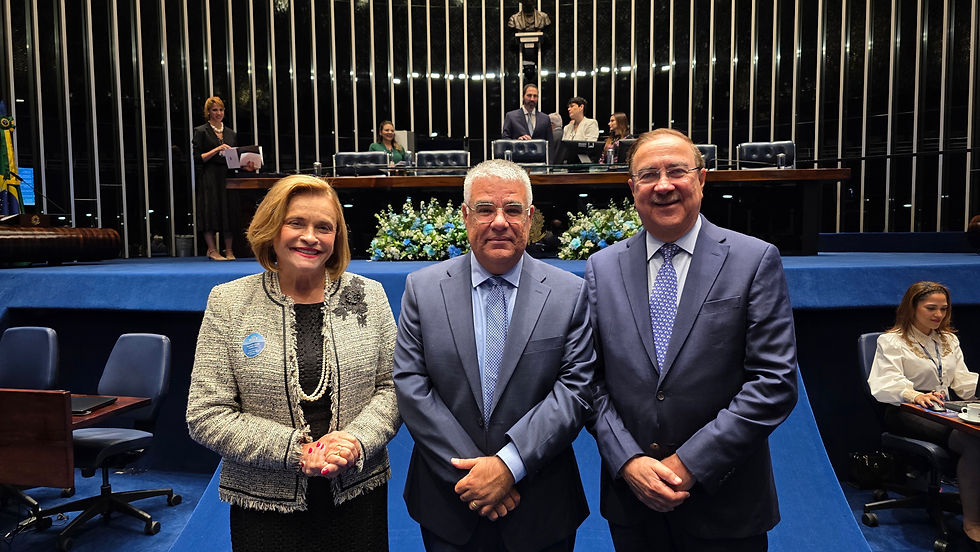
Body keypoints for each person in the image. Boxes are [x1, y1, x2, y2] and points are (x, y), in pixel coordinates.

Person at [585, 128, 798, 551]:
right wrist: (629, 461)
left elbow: (774, 383)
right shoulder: (601, 268)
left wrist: (691, 462)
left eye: (677, 171)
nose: (663, 185)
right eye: (648, 175)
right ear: (632, 189)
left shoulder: (754, 259)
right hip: (634, 501)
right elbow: (588, 380)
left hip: (725, 501)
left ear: (702, 179)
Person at [186, 175, 401, 551]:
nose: (310, 237)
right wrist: (295, 452)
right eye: (296, 223)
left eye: (324, 227)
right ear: (272, 228)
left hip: (357, 496)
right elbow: (206, 414)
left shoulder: (369, 295)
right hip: (265, 505)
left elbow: (393, 388)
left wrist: (355, 441)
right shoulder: (229, 303)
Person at [393, 159, 595, 551]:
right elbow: (412, 387)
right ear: (466, 215)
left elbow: (575, 389)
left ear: (530, 217)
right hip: (450, 501)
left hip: (541, 502)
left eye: (513, 209)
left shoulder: (570, 293)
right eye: (485, 209)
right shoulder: (423, 290)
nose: (499, 221)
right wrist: (477, 477)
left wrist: (507, 466)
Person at [868, 281, 980, 550]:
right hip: (905, 410)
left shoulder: (949, 340)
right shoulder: (892, 341)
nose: (938, 315)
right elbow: (885, 384)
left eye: (943, 308)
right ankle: (973, 524)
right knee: (972, 441)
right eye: (931, 308)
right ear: (912, 308)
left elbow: (963, 383)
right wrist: (915, 395)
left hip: (944, 409)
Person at [192, 96, 252, 261]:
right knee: (210, 211)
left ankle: (229, 250)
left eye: (221, 110)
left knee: (228, 211)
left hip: (228, 176)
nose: (218, 113)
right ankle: (212, 249)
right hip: (210, 176)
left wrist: (245, 165)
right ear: (208, 112)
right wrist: (217, 149)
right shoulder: (201, 131)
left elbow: (234, 158)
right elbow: (198, 158)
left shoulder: (231, 133)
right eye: (214, 110)